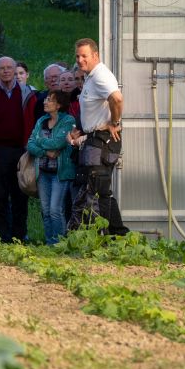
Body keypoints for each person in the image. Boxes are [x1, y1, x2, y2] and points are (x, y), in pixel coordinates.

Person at [66, 38, 129, 236]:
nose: (80, 60)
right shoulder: (91, 77)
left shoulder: (101, 75)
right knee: (99, 190)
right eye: (77, 56)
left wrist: (115, 123)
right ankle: (117, 235)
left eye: (84, 55)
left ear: (96, 55)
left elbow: (117, 98)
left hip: (103, 140)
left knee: (98, 190)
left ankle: (113, 237)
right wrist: (79, 128)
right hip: (94, 138)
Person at [0, 57, 37, 242]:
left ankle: (20, 236)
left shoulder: (28, 94)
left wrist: (30, 150)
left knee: (20, 195)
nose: (6, 71)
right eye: (1, 68)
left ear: (14, 70)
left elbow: (32, 123)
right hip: (0, 151)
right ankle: (1, 237)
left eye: (9, 68)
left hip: (22, 150)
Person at [26, 90, 77, 245]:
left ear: (59, 104)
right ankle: (49, 243)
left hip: (59, 174)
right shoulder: (41, 120)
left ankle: (59, 243)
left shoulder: (68, 120)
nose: (45, 102)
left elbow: (59, 142)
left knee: (55, 210)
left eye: (49, 100)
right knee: (45, 210)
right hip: (42, 172)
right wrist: (46, 152)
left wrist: (40, 140)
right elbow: (30, 143)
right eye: (46, 99)